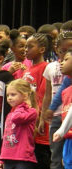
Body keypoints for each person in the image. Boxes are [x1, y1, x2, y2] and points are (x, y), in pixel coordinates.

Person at [41, 31, 72, 169]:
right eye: (62, 52)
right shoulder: (57, 71)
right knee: (57, 156)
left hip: (68, 120)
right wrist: (50, 110)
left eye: (68, 55)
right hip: (58, 117)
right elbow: (55, 94)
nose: (64, 57)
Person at [22, 33, 52, 169]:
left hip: (38, 123)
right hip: (26, 121)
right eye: (25, 47)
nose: (26, 49)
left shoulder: (45, 68)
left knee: (41, 158)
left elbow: (43, 95)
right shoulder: (27, 69)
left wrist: (40, 118)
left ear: (42, 49)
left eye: (30, 46)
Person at [0, 79, 38, 169]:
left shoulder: (31, 112)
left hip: (23, 158)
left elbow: (17, 118)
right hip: (8, 157)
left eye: (13, 94)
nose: (9, 98)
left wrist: (22, 106)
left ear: (25, 95)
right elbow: (6, 137)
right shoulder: (10, 114)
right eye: (8, 95)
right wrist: (2, 159)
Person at [52, 49, 72, 169]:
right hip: (69, 139)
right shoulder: (66, 91)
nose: (61, 62)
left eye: (66, 59)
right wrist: (62, 131)